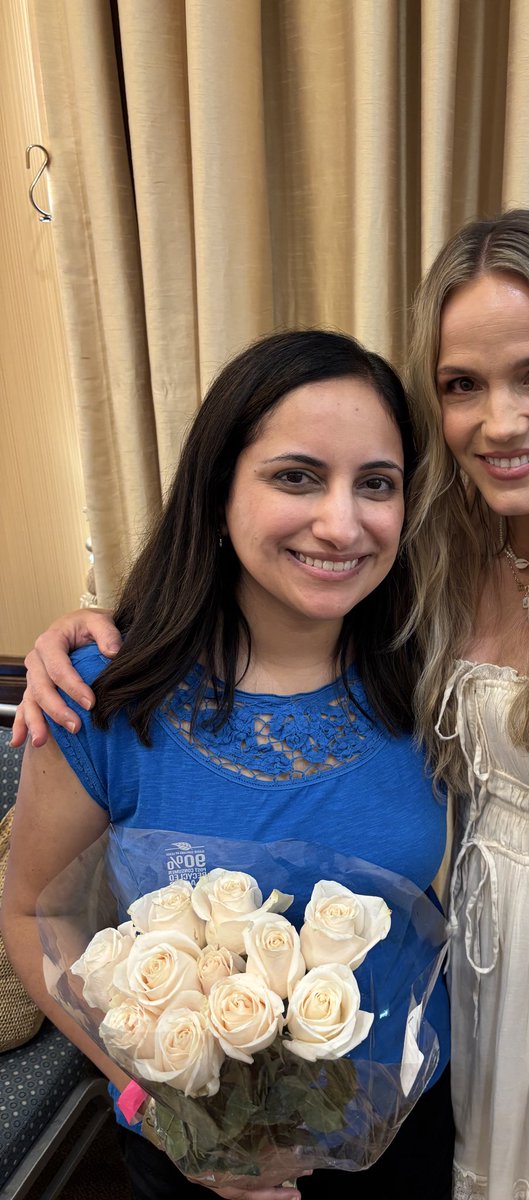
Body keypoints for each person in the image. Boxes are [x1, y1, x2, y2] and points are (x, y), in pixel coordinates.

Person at [15, 210, 529, 1200]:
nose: (500, 420)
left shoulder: (494, 617)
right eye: (463, 385)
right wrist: (155, 1106)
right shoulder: (437, 583)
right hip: (442, 1027)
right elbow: (38, 907)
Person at [1, 330, 453, 1200]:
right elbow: (32, 917)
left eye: (377, 484)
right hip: (191, 1152)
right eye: (296, 476)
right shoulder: (101, 695)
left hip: (406, 1134)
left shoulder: (431, 671)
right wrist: (156, 1105)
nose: (342, 521)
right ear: (216, 496)